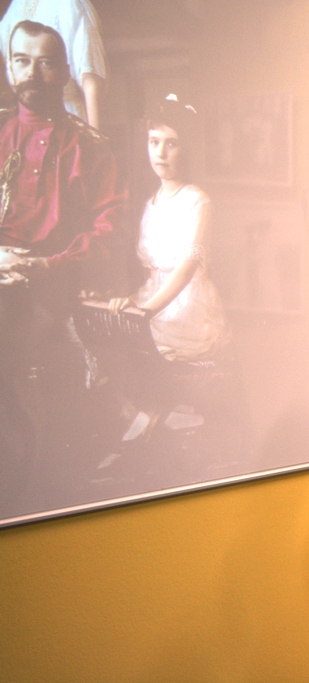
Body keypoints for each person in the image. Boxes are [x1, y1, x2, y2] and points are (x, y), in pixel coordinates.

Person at [0, 20, 124, 471]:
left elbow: (110, 234)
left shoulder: (91, 147)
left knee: (26, 375)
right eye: (22, 61)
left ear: (66, 71)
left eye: (46, 63)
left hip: (52, 289)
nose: (32, 74)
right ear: (9, 66)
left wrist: (49, 266)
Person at [108, 95, 228, 361]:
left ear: (187, 149)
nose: (161, 153)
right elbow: (152, 276)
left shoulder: (197, 201)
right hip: (151, 298)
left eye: (171, 143)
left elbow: (186, 270)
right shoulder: (150, 202)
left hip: (186, 308)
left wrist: (145, 311)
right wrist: (129, 301)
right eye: (154, 142)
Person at [0, 1, 107, 128]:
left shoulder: (69, 5)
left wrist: (94, 137)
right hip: (25, 120)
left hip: (64, 119)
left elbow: (91, 82)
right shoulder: (18, 4)